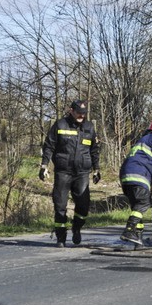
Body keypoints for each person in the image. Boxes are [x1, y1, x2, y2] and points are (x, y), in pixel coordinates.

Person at [39, 100, 101, 247]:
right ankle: (61, 237)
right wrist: (44, 165)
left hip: (82, 172)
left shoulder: (89, 127)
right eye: (79, 112)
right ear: (71, 110)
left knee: (83, 205)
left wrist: (97, 169)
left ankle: (77, 227)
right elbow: (49, 146)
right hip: (63, 171)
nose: (81, 115)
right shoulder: (60, 125)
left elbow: (95, 150)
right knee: (59, 204)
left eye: (84, 113)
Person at [119, 119, 152, 246]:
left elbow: (149, 166)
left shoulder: (144, 141)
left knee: (137, 207)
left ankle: (137, 238)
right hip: (138, 175)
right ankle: (129, 231)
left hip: (127, 177)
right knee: (143, 203)